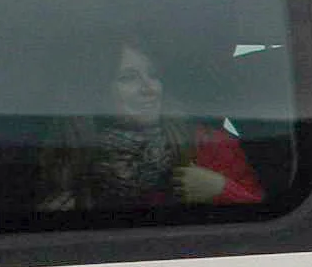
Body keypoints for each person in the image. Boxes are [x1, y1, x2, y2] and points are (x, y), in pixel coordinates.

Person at [38, 37, 263, 212]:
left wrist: (220, 190)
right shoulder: (71, 156)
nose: (150, 88)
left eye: (153, 75)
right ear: (96, 92)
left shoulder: (208, 145)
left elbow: (267, 228)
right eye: (128, 78)